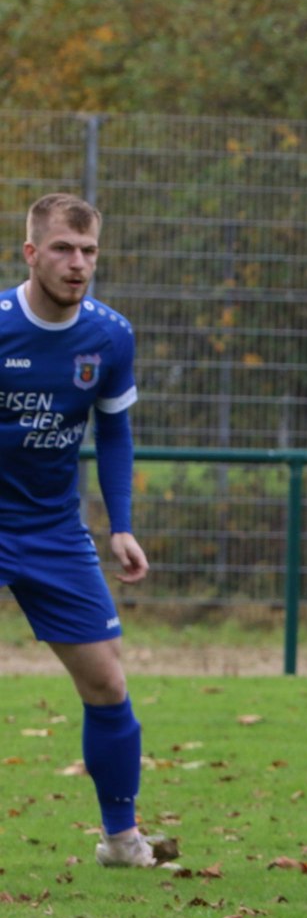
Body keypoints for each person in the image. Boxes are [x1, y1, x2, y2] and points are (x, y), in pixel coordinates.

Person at [1, 193, 155, 868]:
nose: (78, 263)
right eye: (63, 248)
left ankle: (121, 839)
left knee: (107, 684)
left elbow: (114, 430)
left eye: (89, 250)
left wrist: (120, 525)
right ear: (31, 252)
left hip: (53, 529)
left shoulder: (110, 335)